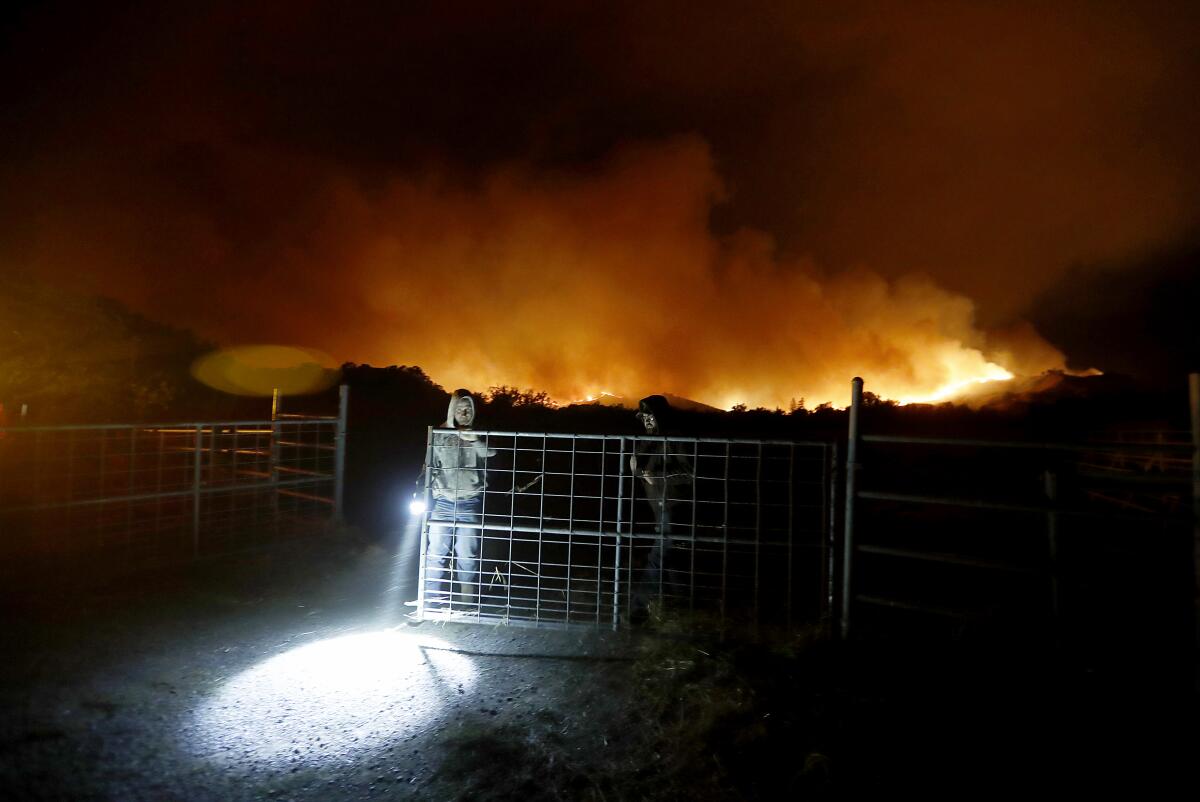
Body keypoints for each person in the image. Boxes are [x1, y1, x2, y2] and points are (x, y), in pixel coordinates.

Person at [424, 389, 495, 610]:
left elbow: (491, 453)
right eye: (460, 409)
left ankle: (467, 604)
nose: (464, 413)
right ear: (452, 410)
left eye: (468, 409)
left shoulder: (480, 432)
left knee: (467, 554)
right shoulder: (439, 432)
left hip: (470, 502)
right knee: (435, 551)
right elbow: (429, 463)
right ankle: (431, 601)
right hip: (443, 502)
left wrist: (474, 440)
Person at [629, 395, 694, 619]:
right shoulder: (648, 440)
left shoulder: (675, 438)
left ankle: (638, 608)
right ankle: (685, 609)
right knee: (671, 557)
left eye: (650, 415)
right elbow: (640, 469)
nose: (647, 420)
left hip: (673, 506)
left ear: (660, 416)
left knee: (657, 558)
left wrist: (657, 477)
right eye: (644, 416)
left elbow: (688, 473)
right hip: (658, 507)